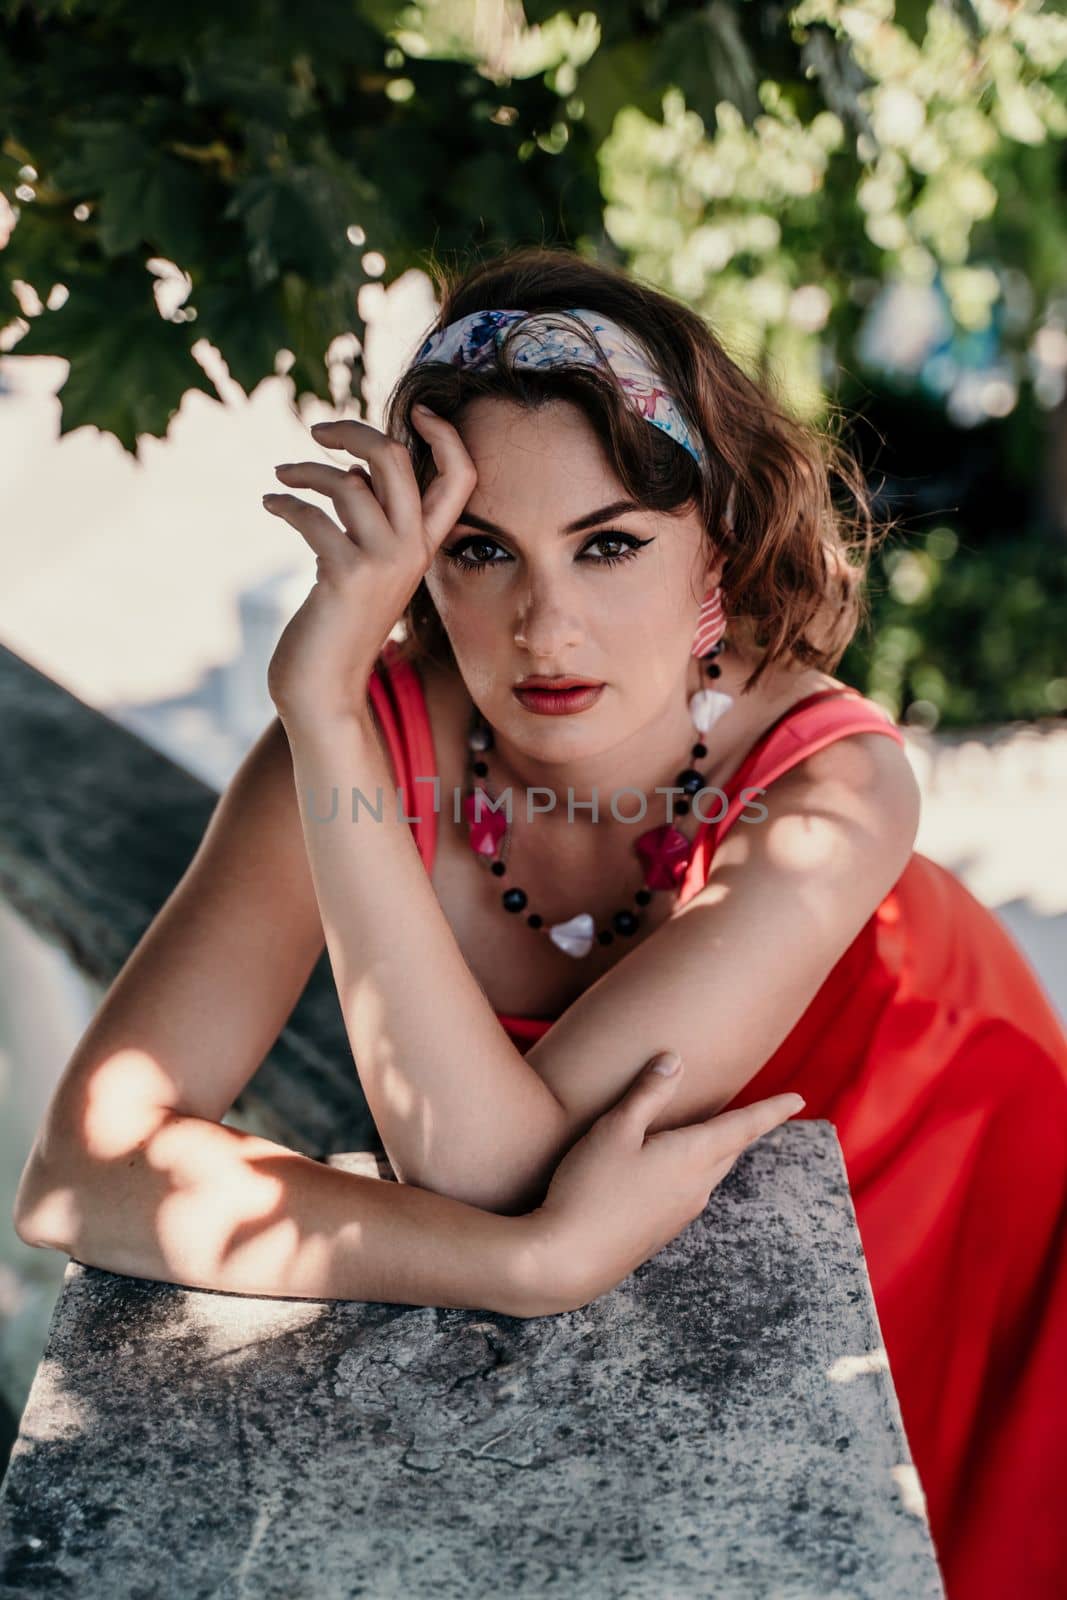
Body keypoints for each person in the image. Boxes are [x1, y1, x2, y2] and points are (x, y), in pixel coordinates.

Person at [14, 245, 1066, 1598]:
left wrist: (525, 1237)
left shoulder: (836, 785)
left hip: (950, 1154)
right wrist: (533, 1261)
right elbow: (78, 1175)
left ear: (718, 553)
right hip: (676, 1224)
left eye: (611, 543)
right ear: (414, 569)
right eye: (478, 551)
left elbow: (479, 1170)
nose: (544, 623)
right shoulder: (358, 739)